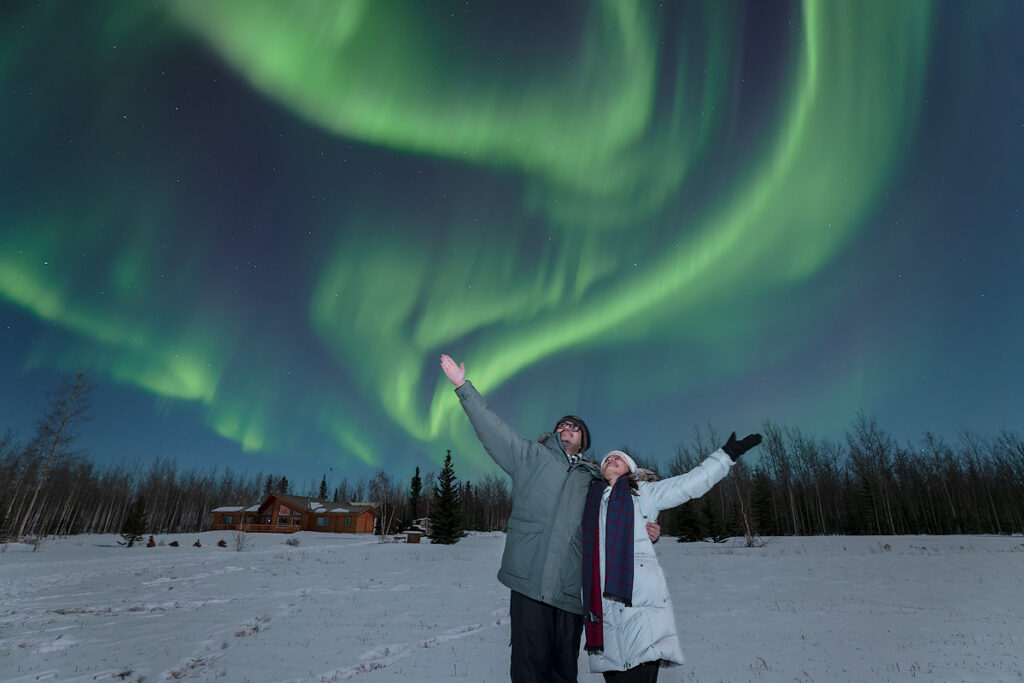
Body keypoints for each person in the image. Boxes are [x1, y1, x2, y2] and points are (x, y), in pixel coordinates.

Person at [439, 353, 659, 683]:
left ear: (584, 440)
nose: (566, 429)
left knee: (563, 672)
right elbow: (492, 429)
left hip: (571, 593)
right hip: (529, 582)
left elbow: (620, 512)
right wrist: (462, 386)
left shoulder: (594, 479)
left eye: (574, 427)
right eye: (562, 426)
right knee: (529, 669)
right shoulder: (531, 457)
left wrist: (644, 530)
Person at [583, 433, 762, 682]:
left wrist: (725, 456)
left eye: (618, 458)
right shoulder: (592, 503)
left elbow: (689, 484)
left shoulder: (643, 493)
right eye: (607, 459)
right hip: (604, 618)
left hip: (639, 607)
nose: (611, 460)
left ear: (630, 469)